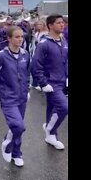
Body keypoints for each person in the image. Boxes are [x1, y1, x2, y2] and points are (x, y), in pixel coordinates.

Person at [0, 26, 31, 167]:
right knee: (19, 126)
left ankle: (16, 153)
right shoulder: (1, 56)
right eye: (17, 37)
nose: (20, 39)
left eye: (22, 37)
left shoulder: (25, 54)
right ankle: (7, 144)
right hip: (7, 97)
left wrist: (27, 88)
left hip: (22, 97)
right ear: (9, 39)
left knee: (15, 127)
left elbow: (27, 74)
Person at [31, 14, 68, 150]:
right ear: (50, 26)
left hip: (62, 81)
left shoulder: (63, 41)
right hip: (51, 83)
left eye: (62, 22)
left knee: (52, 109)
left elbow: (66, 61)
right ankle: (50, 130)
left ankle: (50, 134)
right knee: (64, 108)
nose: (62, 24)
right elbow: (35, 65)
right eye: (58, 23)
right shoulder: (44, 44)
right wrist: (43, 83)